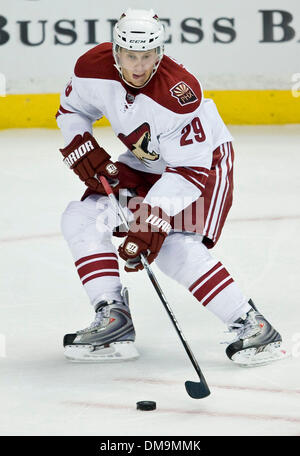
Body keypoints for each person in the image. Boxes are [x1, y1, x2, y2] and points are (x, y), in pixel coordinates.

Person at [57, 8, 286, 366]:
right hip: (145, 161)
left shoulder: (178, 93)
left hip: (200, 165)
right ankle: (112, 316)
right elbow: (71, 109)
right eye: (130, 56)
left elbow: (189, 173)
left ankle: (249, 323)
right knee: (81, 217)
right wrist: (80, 143)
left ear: (159, 53)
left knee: (173, 246)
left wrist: (151, 217)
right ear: (116, 51)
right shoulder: (92, 68)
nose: (138, 66)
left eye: (146, 56)